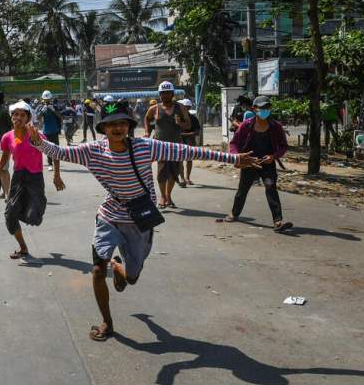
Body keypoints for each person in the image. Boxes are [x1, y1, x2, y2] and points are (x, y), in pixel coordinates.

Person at [30, 100, 256, 341]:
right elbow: (61, 152)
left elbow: (186, 151)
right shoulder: (92, 151)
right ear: (103, 128)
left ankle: (118, 266)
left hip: (140, 219)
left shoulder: (145, 147)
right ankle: (107, 322)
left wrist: (232, 159)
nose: (117, 128)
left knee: (132, 278)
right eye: (111, 124)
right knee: (97, 270)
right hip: (110, 216)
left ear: (129, 125)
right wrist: (37, 141)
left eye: (122, 123)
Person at [0, 100, 63, 264]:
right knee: (10, 214)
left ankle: (38, 204)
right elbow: (4, 157)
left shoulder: (35, 135)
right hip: (18, 177)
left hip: (35, 178)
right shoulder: (7, 137)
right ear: (11, 117)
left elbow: (54, 153)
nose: (18, 117)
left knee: (33, 218)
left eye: (22, 115)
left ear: (28, 118)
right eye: (15, 114)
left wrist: (56, 176)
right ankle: (23, 247)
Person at [225, 96, 293, 231]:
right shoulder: (246, 125)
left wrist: (273, 157)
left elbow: (283, 146)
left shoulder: (275, 126)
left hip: (267, 162)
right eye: (261, 108)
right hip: (250, 162)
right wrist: (237, 157)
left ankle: (278, 221)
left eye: (267, 108)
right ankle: (234, 213)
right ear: (254, 109)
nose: (264, 111)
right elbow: (234, 144)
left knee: (271, 186)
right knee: (243, 190)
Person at [144, 82, 191, 208]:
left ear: (172, 94)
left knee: (173, 173)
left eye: (168, 93)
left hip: (176, 146)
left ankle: (168, 195)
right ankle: (163, 197)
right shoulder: (155, 108)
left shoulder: (180, 107)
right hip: (160, 147)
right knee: (161, 173)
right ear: (160, 94)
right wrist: (147, 132)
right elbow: (147, 118)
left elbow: (188, 124)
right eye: (163, 93)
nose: (165, 95)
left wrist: (180, 123)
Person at [178, 99, 202, 187]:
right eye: (185, 107)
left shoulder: (193, 118)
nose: (186, 109)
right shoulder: (177, 118)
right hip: (182, 141)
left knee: (188, 160)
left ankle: (187, 178)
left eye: (187, 107)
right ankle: (182, 178)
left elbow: (197, 132)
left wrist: (182, 134)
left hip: (188, 141)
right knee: (180, 160)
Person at [37, 91, 63, 169]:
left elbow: (60, 116)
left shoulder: (55, 106)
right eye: (45, 99)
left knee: (56, 147)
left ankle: (56, 163)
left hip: (54, 130)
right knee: (48, 148)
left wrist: (54, 110)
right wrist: (42, 111)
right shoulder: (41, 107)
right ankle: (50, 164)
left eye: (48, 99)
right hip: (46, 131)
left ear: (51, 98)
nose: (47, 101)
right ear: (43, 99)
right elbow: (37, 117)